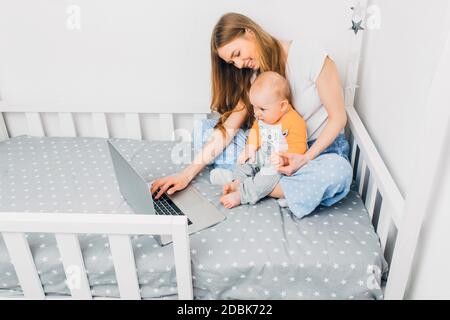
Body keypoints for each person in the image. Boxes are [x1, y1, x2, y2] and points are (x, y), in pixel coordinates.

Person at [151, 12, 352, 219]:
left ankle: (252, 185)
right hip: (269, 151)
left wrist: (304, 158)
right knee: (204, 130)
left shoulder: (309, 54)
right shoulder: (254, 77)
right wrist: (185, 175)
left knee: (339, 173)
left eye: (237, 54)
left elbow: (338, 118)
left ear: (249, 32)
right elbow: (229, 128)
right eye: (232, 62)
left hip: (315, 152)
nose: (238, 65)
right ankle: (275, 184)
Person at [220, 71, 307, 209]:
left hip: (280, 162)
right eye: (254, 107)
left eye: (261, 109)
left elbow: (299, 147)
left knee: (267, 175)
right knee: (245, 160)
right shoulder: (263, 116)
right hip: (264, 153)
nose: (256, 113)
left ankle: (242, 194)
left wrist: (284, 159)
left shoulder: (294, 121)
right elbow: (256, 131)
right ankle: (238, 181)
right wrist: (250, 148)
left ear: (283, 106)